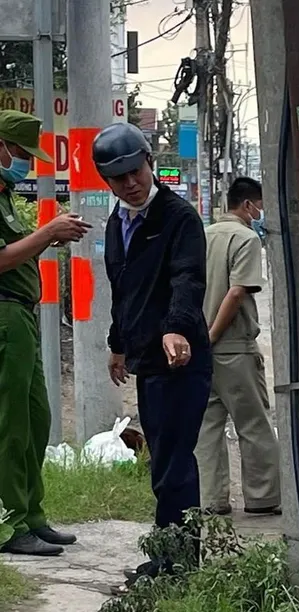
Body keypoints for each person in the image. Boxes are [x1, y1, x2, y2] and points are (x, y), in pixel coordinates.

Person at [92, 122, 212, 581]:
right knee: (162, 458)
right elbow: (124, 293)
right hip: (147, 362)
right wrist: (117, 346)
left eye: (136, 171)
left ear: (150, 163)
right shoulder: (118, 222)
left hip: (183, 360)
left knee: (175, 463)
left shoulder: (178, 218)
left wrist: (178, 328)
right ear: (108, 181)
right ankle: (166, 557)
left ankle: (179, 566)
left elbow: (187, 278)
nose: (131, 183)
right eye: (119, 178)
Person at [0, 110, 91, 556]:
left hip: (21, 320)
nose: (21, 162)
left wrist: (44, 238)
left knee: (37, 420)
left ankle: (32, 515)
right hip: (3, 319)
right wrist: (46, 233)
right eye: (17, 152)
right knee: (9, 424)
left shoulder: (4, 197)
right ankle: (9, 524)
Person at [194, 177, 281, 517]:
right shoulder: (245, 239)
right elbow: (236, 291)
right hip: (232, 346)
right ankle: (262, 498)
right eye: (259, 205)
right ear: (248, 205)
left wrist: (201, 339)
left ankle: (210, 499)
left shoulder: (204, 235)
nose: (261, 213)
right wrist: (214, 335)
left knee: (207, 424)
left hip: (201, 348)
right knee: (254, 423)